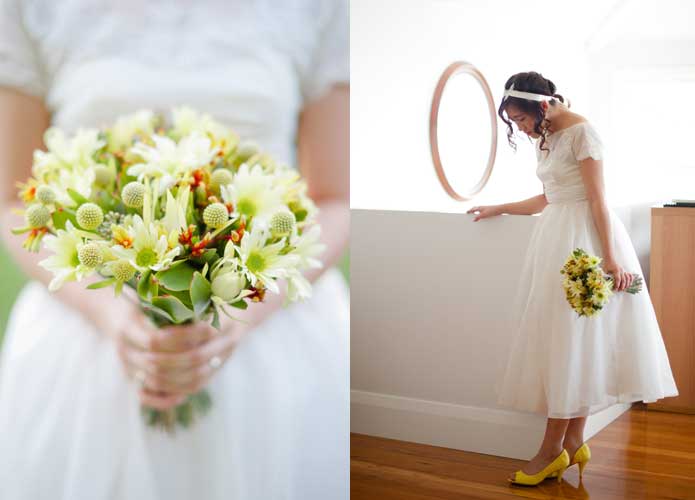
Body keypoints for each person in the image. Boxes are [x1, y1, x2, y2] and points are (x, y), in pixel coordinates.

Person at [0, 1, 349, 498]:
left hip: (269, 323)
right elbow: (14, 200)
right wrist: (111, 315)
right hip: (87, 333)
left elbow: (334, 199)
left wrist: (240, 316)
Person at [467, 71, 678, 486]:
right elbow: (550, 196)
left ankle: (550, 450)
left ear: (542, 105)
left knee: (573, 339)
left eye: (523, 120)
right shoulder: (546, 136)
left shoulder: (583, 134)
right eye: (515, 122)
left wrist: (612, 260)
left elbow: (597, 199)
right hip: (555, 237)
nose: (522, 130)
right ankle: (573, 442)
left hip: (587, 241)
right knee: (569, 341)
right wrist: (501, 207)